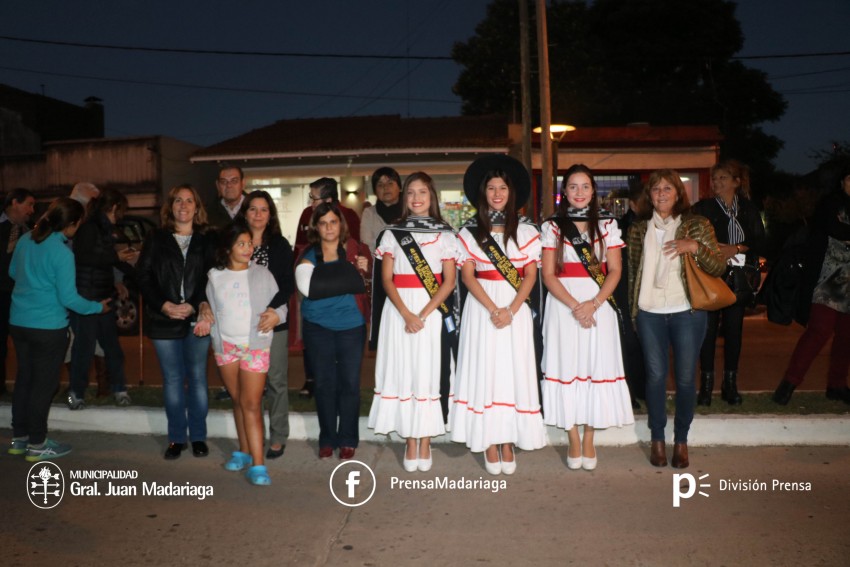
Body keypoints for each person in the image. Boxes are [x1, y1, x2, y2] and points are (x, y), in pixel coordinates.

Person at [448, 155, 545, 475]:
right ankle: (489, 440)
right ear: (483, 193)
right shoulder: (469, 232)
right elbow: (467, 276)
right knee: (486, 371)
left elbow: (530, 275)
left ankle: (508, 439)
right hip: (483, 310)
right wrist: (493, 309)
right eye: (491, 188)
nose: (497, 193)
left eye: (502, 187)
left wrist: (512, 310)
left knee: (512, 371)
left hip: (514, 310)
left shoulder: (528, 231)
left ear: (511, 191)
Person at [627, 169, 725, 469]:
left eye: (667, 188)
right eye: (655, 189)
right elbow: (632, 274)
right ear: (649, 196)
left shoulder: (696, 225)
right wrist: (633, 312)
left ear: (678, 194)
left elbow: (718, 266)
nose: (661, 194)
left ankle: (680, 439)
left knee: (684, 378)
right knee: (655, 377)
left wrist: (693, 247)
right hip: (649, 312)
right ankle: (658, 438)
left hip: (687, 312)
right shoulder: (638, 230)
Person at [540, 164, 634, 471]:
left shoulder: (608, 225)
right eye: (572, 187)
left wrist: (592, 304)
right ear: (563, 192)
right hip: (563, 307)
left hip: (598, 305)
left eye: (585, 187)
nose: (579, 192)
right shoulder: (553, 226)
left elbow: (616, 270)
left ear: (594, 192)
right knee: (567, 366)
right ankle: (573, 438)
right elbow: (549, 275)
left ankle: (590, 437)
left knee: (595, 366)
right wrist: (575, 306)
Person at [368, 172, 457, 472]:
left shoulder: (446, 235)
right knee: (403, 369)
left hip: (429, 314)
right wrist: (406, 313)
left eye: (423, 192)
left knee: (427, 371)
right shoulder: (392, 234)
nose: (417, 198)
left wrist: (423, 314)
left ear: (432, 197)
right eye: (411, 193)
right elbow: (386, 279)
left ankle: (426, 438)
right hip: (399, 312)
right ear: (405, 198)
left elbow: (448, 282)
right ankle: (409, 437)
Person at [8, 198, 108, 461]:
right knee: (44, 385)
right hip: (48, 327)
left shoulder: (25, 240)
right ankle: (38, 445)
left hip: (19, 322)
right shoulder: (62, 253)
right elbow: (69, 299)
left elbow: (12, 272)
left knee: (25, 380)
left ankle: (20, 439)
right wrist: (98, 307)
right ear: (72, 224)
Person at [196, 218, 286, 485]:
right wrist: (203, 313)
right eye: (242, 243)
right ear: (228, 248)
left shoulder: (262, 274)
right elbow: (208, 305)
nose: (248, 248)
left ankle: (259, 466)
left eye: (250, 243)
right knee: (238, 401)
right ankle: (245, 452)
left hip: (255, 347)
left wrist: (276, 317)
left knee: (251, 403)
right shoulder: (215, 276)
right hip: (226, 348)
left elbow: (280, 306)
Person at [136, 184, 215, 460]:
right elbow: (143, 276)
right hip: (163, 318)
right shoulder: (156, 237)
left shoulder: (207, 239)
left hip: (197, 319)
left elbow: (211, 276)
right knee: (172, 380)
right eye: (178, 201)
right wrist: (164, 305)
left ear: (197, 207)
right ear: (170, 207)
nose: (183, 205)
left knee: (197, 379)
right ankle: (176, 438)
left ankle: (199, 437)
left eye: (189, 200)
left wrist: (194, 304)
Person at [295, 202, 370, 460]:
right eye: (323, 222)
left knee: (350, 384)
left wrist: (364, 270)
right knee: (325, 384)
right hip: (318, 328)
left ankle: (348, 439)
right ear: (316, 226)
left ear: (341, 225)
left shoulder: (356, 251)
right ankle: (327, 438)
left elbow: (366, 285)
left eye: (333, 222)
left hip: (351, 326)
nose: (329, 227)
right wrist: (345, 279)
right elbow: (307, 289)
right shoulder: (307, 254)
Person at [773, 167, 850, 406]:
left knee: (847, 337)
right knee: (818, 332)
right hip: (827, 279)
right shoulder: (831, 202)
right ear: (843, 181)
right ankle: (788, 384)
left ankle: (837, 386)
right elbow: (833, 228)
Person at [692, 159, 766, 406]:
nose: (717, 182)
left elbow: (760, 241)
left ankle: (730, 384)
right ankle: (706, 386)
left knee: (734, 331)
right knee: (707, 332)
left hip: (739, 277)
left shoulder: (748, 209)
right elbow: (690, 235)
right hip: (711, 275)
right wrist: (714, 250)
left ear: (736, 181)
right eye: (715, 178)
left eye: (723, 178)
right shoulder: (703, 208)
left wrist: (736, 247)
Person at [67, 188, 139, 408]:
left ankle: (119, 389)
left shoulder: (106, 228)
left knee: (112, 348)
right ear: (114, 207)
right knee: (84, 349)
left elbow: (111, 260)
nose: (122, 215)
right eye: (122, 210)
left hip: (103, 297)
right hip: (87, 298)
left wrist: (139, 271)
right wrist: (116, 256)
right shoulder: (89, 227)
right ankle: (76, 394)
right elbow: (85, 257)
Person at [293, 177, 361, 400]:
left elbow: (356, 252)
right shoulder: (306, 215)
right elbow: (300, 246)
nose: (311, 203)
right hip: (312, 281)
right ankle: (310, 378)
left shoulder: (349, 216)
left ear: (329, 199)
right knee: (311, 339)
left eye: (314, 198)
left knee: (346, 370)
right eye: (310, 198)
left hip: (346, 305)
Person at [239, 191, 295, 459]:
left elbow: (287, 283)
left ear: (270, 214)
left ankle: (279, 435)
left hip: (274, 322)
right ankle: (253, 435)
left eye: (263, 209)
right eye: (253, 209)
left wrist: (270, 311)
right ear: (245, 213)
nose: (258, 214)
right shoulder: (236, 243)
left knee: (275, 381)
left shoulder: (280, 245)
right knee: (249, 385)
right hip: (240, 323)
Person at [0, 188, 36, 397]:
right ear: (15, 202)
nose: (32, 210)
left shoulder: (29, 231)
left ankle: (27, 387)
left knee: (25, 342)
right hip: (1, 293)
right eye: (29, 204)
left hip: (21, 295)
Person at [361, 167, 403, 253]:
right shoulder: (369, 214)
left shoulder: (411, 210)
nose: (385, 187)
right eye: (380, 185)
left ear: (399, 187)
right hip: (379, 263)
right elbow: (367, 246)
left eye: (390, 183)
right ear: (375, 191)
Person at [206, 164, 248, 229]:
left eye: (234, 181)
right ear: (218, 185)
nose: (229, 185)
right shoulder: (208, 214)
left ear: (243, 183)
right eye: (224, 182)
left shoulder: (255, 209)